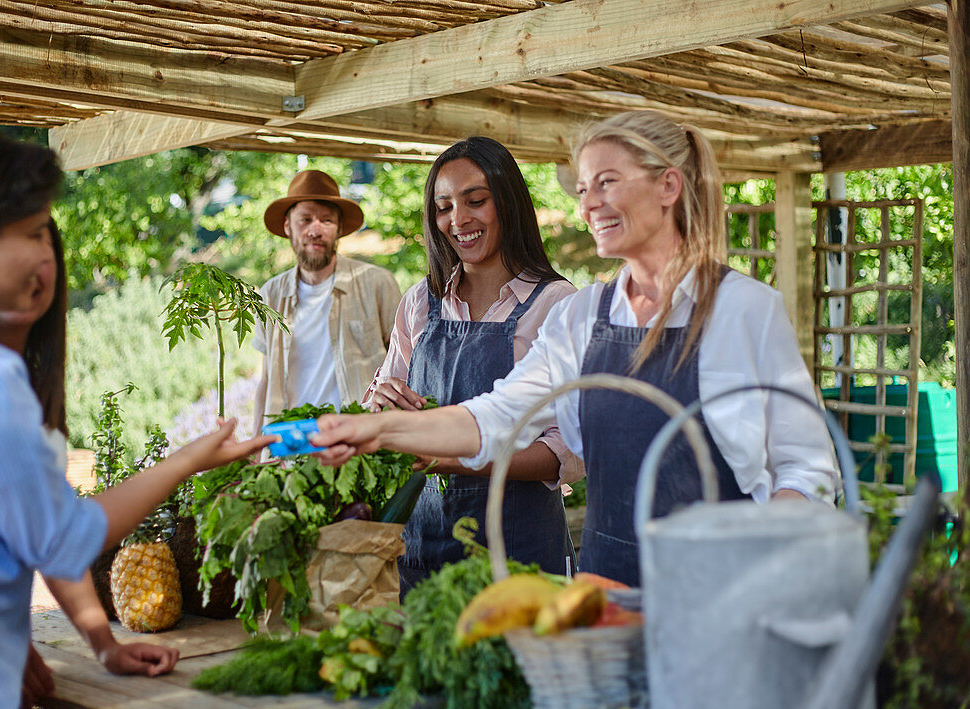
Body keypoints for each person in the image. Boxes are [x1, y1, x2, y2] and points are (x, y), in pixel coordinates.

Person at [311, 111, 839, 588]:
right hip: (604, 586)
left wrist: (756, 563)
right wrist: (375, 429)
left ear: (668, 186)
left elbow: (807, 468)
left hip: (722, 588)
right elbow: (494, 416)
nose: (588, 204)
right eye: (584, 188)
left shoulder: (745, 309)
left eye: (606, 183)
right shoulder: (582, 316)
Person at [0, 126, 273, 709]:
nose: (44, 255)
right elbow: (63, 537)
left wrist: (87, 642)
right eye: (32, 233)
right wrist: (188, 459)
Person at [0, 222, 180, 709]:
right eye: (16, 241)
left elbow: (49, 534)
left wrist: (103, 644)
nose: (33, 265)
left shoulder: (23, 380)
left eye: (43, 244)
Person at [363, 137, 583, 590]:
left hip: (521, 559)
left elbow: (569, 453)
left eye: (475, 201)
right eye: (443, 206)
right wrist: (378, 409)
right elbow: (385, 421)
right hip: (423, 552)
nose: (458, 220)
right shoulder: (419, 303)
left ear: (508, 202)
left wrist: (452, 459)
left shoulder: (558, 305)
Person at [251, 169, 401, 432]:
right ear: (288, 226)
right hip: (291, 446)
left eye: (326, 220)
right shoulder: (270, 295)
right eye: (305, 220)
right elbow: (266, 380)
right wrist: (253, 451)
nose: (315, 230)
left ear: (340, 228)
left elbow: (404, 366)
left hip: (361, 442)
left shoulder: (376, 283)